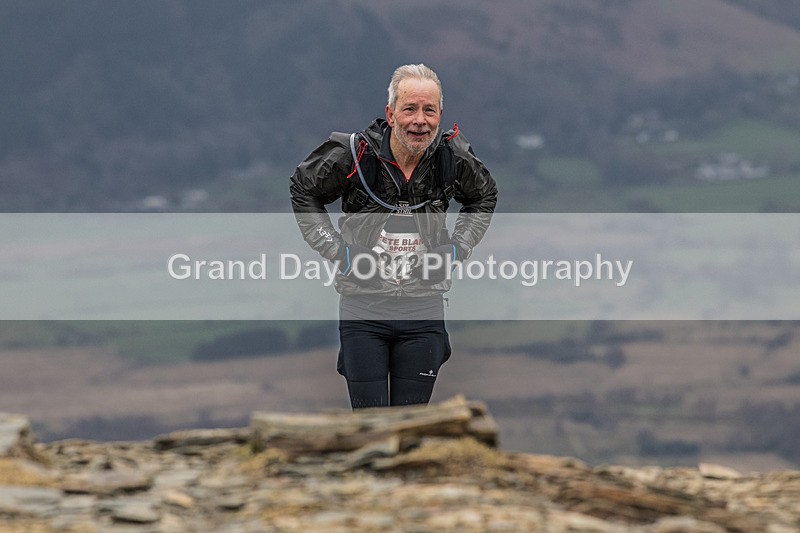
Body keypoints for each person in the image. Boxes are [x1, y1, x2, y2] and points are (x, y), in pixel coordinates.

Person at [290, 63, 497, 409]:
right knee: (371, 427)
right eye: (410, 109)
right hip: (363, 310)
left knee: (411, 427)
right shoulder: (354, 154)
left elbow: (484, 195)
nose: (420, 120)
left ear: (440, 115)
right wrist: (337, 252)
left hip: (423, 311)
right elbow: (302, 188)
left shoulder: (451, 157)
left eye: (429, 110)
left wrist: (458, 249)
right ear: (390, 113)